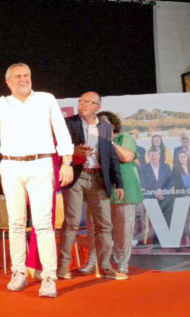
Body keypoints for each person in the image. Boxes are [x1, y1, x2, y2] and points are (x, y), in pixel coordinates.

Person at [0, 62, 74, 298]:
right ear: (8, 82)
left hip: (41, 164)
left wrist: (67, 162)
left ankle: (48, 277)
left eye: (26, 75)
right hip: (10, 165)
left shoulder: (46, 99)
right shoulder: (2, 104)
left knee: (43, 224)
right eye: (17, 76)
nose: (23, 80)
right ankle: (18, 272)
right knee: (16, 223)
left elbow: (61, 129)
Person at [57, 92, 125, 280]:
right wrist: (74, 152)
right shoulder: (69, 123)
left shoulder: (104, 127)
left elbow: (111, 156)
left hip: (98, 179)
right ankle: (63, 267)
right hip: (76, 176)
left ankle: (104, 267)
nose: (84, 104)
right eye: (81, 101)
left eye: (89, 102)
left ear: (98, 106)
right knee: (71, 223)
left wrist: (118, 182)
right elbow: (58, 147)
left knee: (104, 224)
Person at [80, 111, 143, 276]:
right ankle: (93, 262)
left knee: (123, 230)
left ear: (112, 125)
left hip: (125, 190)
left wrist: (110, 142)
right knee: (94, 228)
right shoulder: (92, 140)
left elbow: (127, 157)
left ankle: (122, 263)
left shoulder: (125, 139)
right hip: (98, 189)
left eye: (102, 123)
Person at [139, 147, 173, 225]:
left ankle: (167, 229)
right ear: (148, 156)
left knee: (170, 203)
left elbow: (170, 181)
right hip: (149, 196)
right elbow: (143, 182)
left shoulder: (166, 166)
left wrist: (163, 192)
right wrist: (155, 192)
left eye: (156, 155)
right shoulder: (142, 168)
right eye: (152, 155)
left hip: (164, 196)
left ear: (159, 156)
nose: (154, 157)